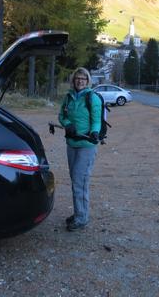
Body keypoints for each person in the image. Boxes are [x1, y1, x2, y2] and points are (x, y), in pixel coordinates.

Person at [58, 67, 102, 231]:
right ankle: (79, 212)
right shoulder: (68, 97)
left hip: (86, 146)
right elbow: (61, 116)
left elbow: (96, 120)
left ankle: (81, 218)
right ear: (73, 80)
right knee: (75, 180)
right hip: (71, 144)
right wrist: (67, 125)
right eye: (77, 78)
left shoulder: (92, 98)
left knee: (80, 181)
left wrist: (94, 132)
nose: (80, 81)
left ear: (88, 81)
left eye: (83, 79)